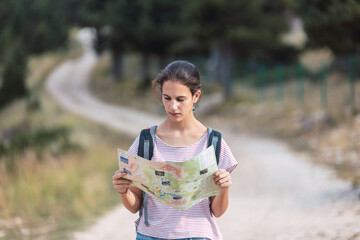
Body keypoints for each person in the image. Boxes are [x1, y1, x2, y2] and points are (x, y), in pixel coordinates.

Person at [112, 60, 237, 240]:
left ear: (196, 96)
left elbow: (217, 211)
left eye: (180, 99)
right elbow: (135, 206)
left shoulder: (213, 142)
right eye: (167, 98)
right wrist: (123, 191)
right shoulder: (146, 141)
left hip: (198, 236)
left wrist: (225, 189)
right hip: (151, 236)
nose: (173, 106)